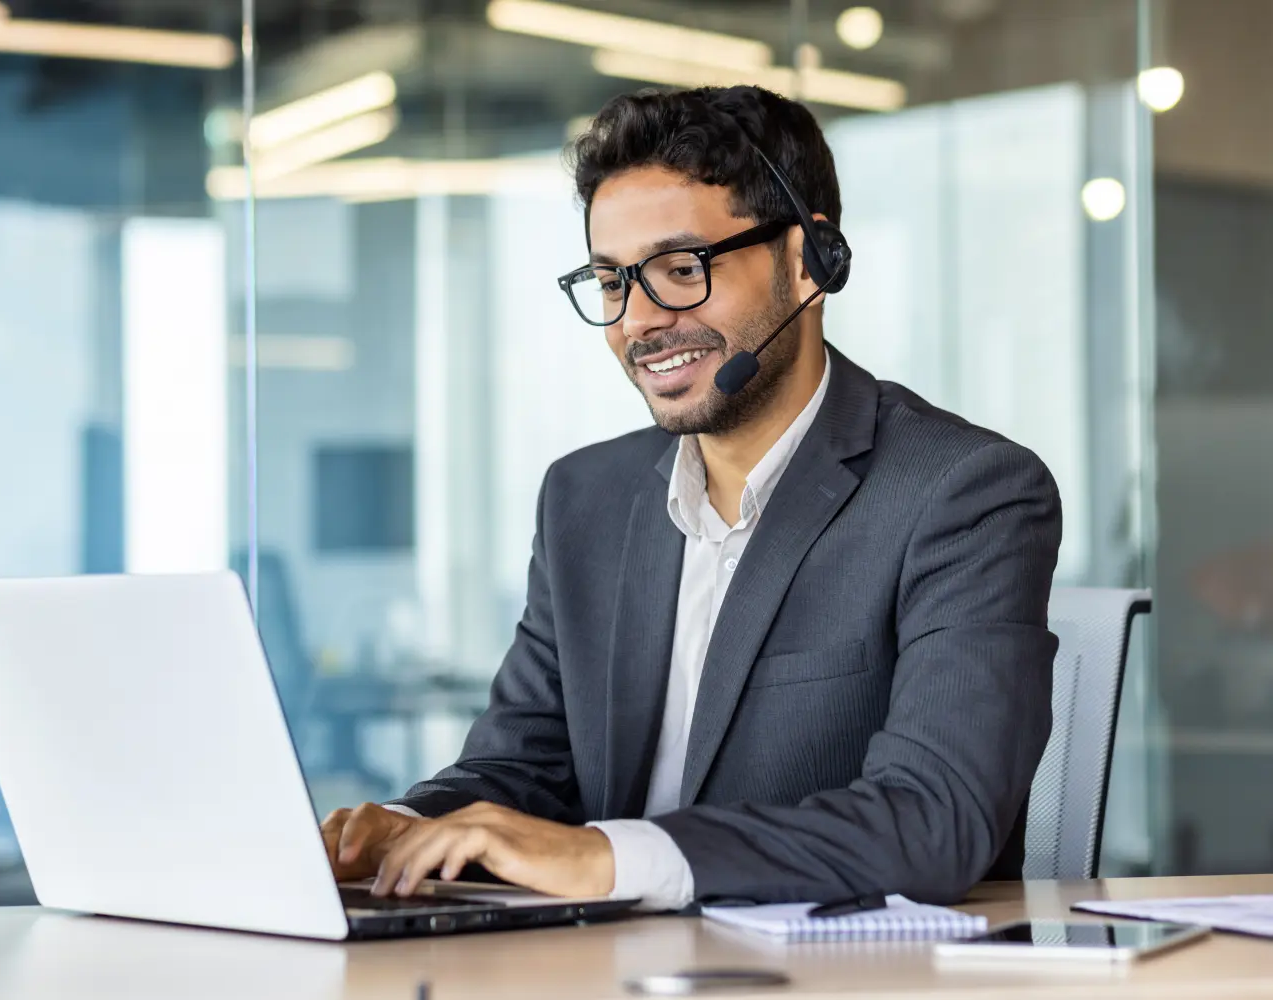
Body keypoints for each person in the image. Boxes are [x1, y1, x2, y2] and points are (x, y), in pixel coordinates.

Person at [321, 84, 1062, 912]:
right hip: (612, 971)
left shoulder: (962, 493)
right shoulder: (584, 499)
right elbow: (522, 770)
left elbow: (936, 820)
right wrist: (395, 829)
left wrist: (609, 859)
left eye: (681, 269)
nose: (638, 321)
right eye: (611, 282)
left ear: (811, 261)